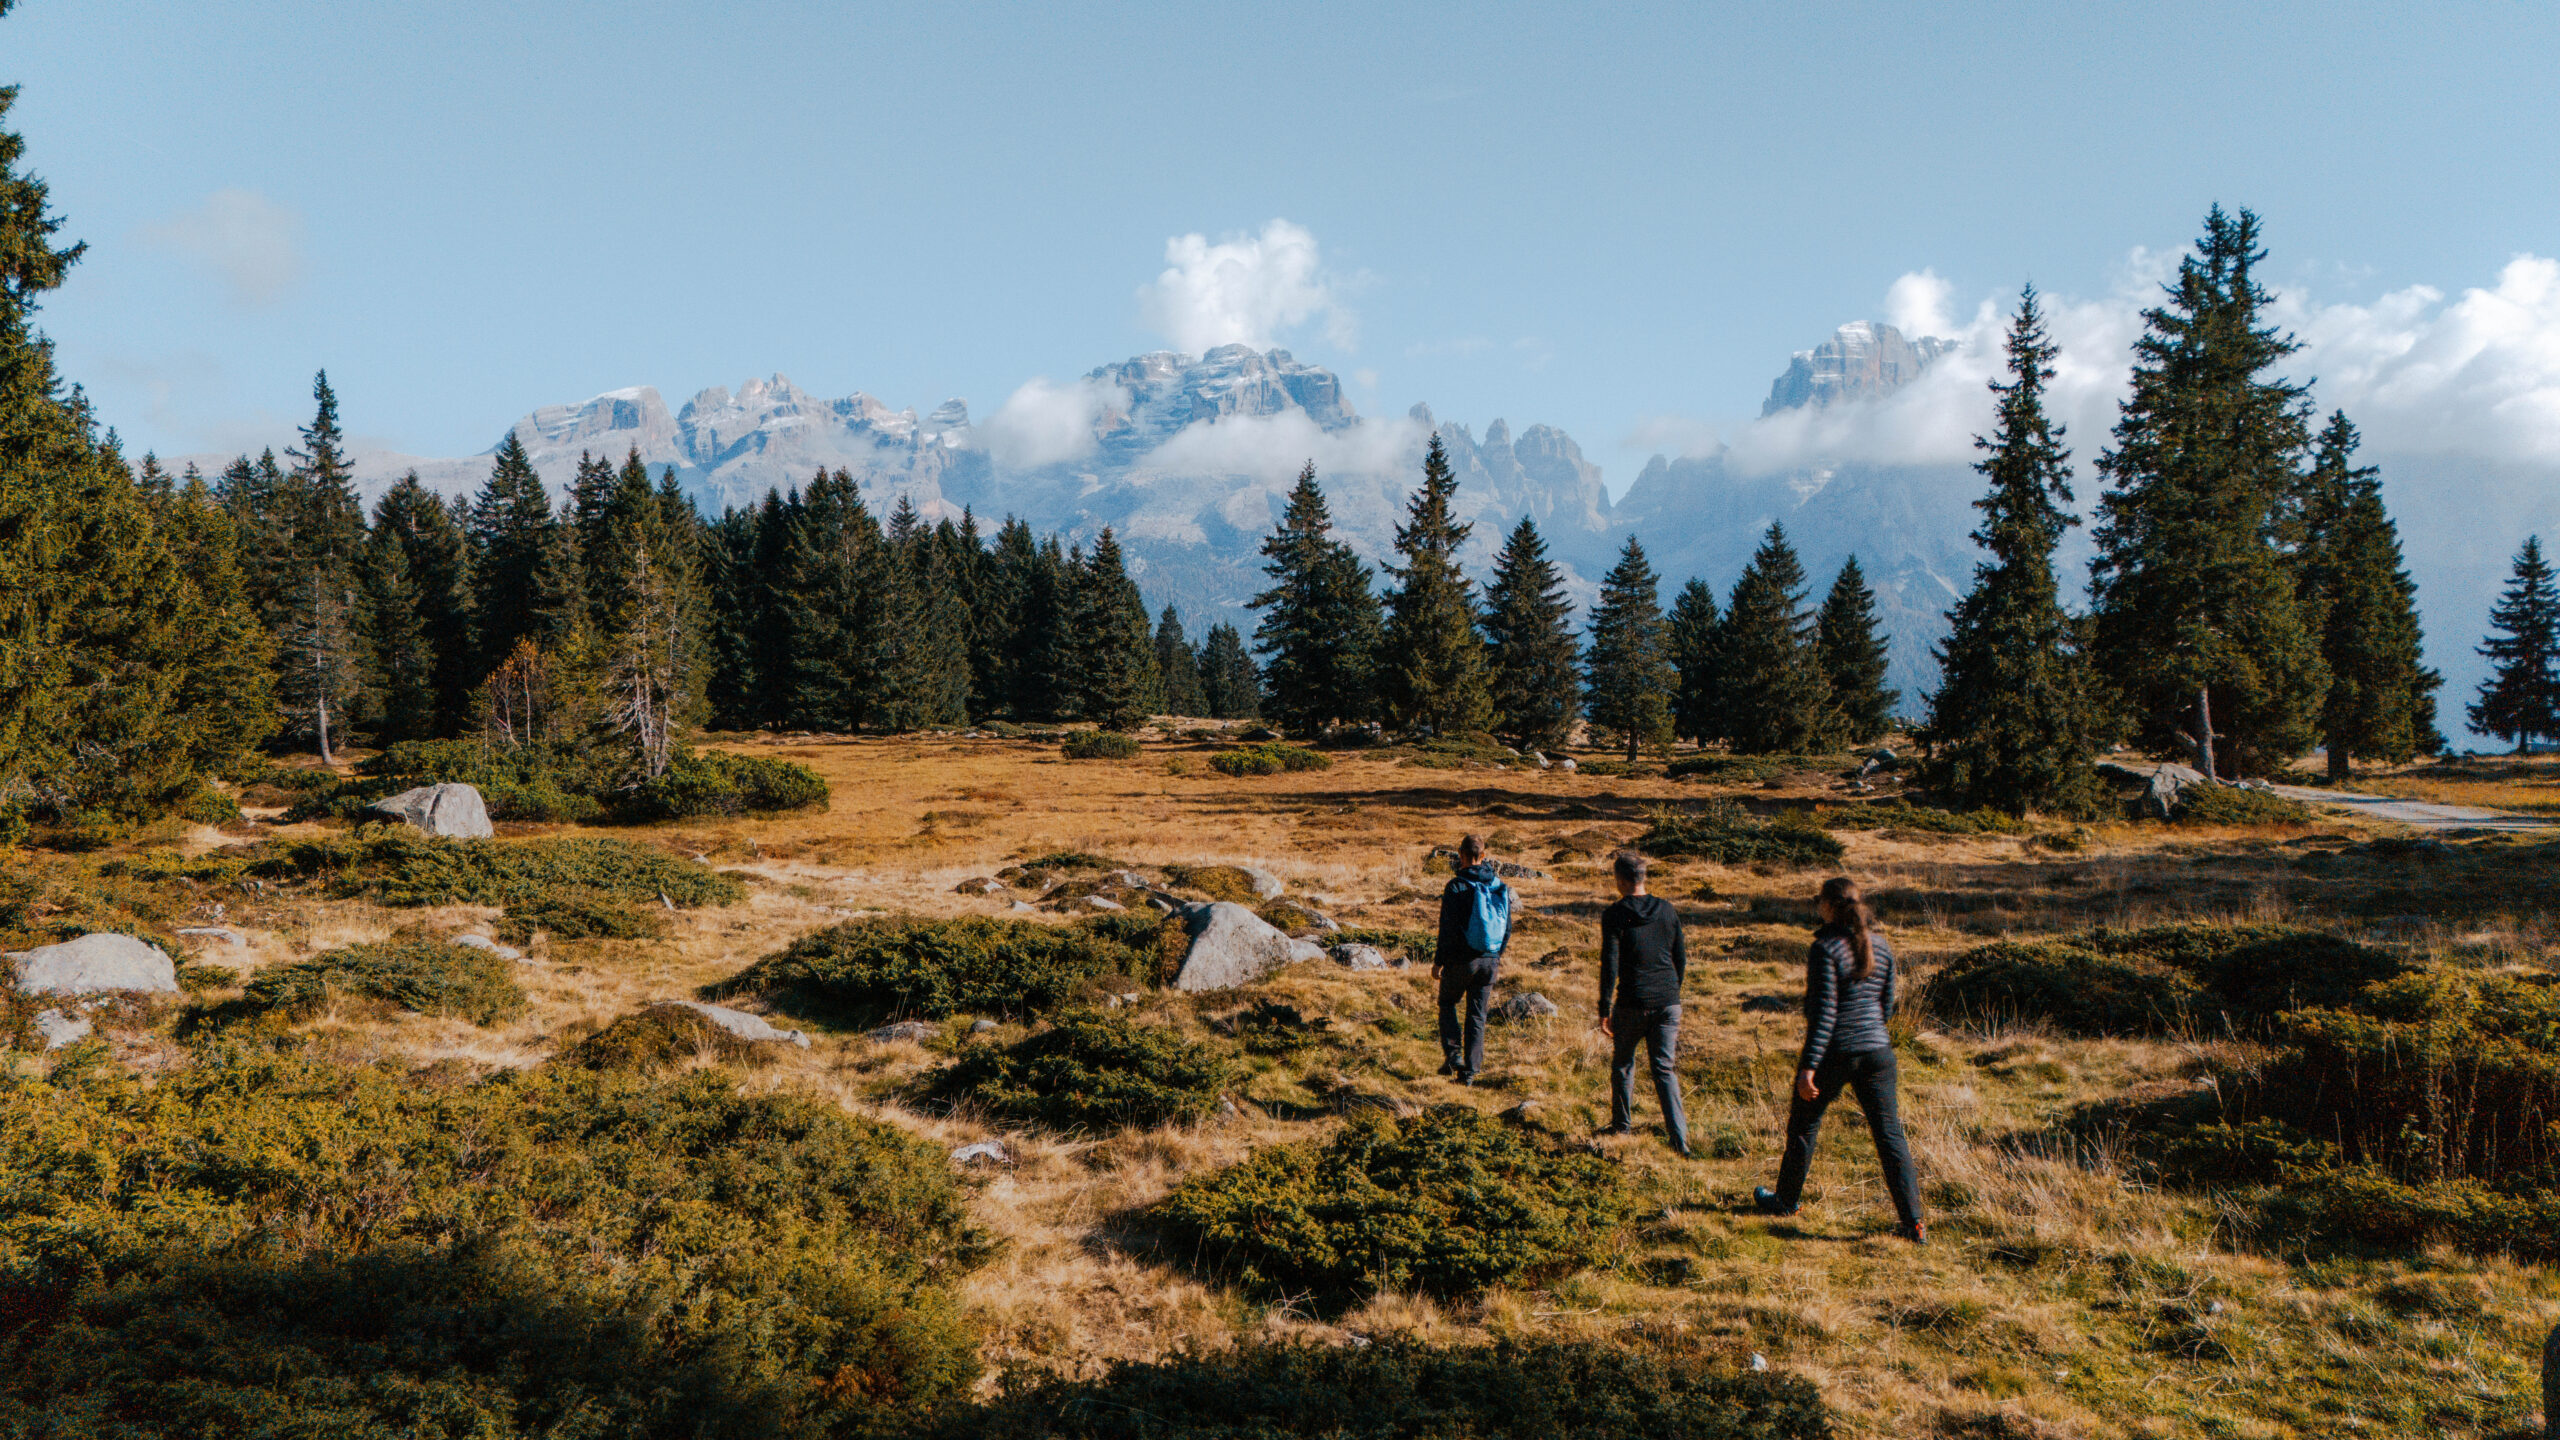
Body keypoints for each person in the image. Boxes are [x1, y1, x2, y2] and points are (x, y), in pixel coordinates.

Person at [1754, 875, 1925, 1242]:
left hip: (1837, 1052)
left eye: (1819, 899)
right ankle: (1914, 1223)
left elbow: (1824, 1015)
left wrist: (1808, 1067)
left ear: (1828, 906)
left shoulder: (1826, 949)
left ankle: (1786, 1201)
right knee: (1889, 1135)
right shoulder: (1882, 945)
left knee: (1804, 1125)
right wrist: (1870, 1032)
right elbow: (1887, 1006)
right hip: (1878, 1052)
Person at [1597, 850, 1689, 1155]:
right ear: (1643, 877)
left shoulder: (1614, 914)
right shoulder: (1667, 910)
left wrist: (1604, 1009)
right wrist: (1671, 991)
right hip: (1668, 1001)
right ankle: (1680, 1141)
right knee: (1664, 1069)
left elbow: (1610, 965)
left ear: (1621, 880)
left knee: (1623, 1064)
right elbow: (1680, 958)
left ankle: (1621, 1126)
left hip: (1632, 1002)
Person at [1431, 833, 1512, 1085]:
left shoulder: (1456, 886)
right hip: (1489, 961)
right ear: (1483, 855)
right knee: (1477, 1015)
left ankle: (1453, 1055)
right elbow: (1507, 927)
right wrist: (1495, 955)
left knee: (1447, 1002)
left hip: (1461, 960)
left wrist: (1439, 962)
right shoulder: (1498, 886)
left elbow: (1447, 930)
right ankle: (1470, 1073)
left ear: (1461, 855)